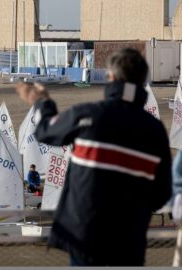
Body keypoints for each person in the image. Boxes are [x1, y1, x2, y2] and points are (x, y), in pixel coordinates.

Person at [16, 48, 172, 266]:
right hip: (128, 241)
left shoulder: (88, 115)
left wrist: (42, 101)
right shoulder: (155, 131)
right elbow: (163, 192)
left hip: (85, 238)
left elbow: (45, 131)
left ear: (110, 77)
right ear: (142, 80)